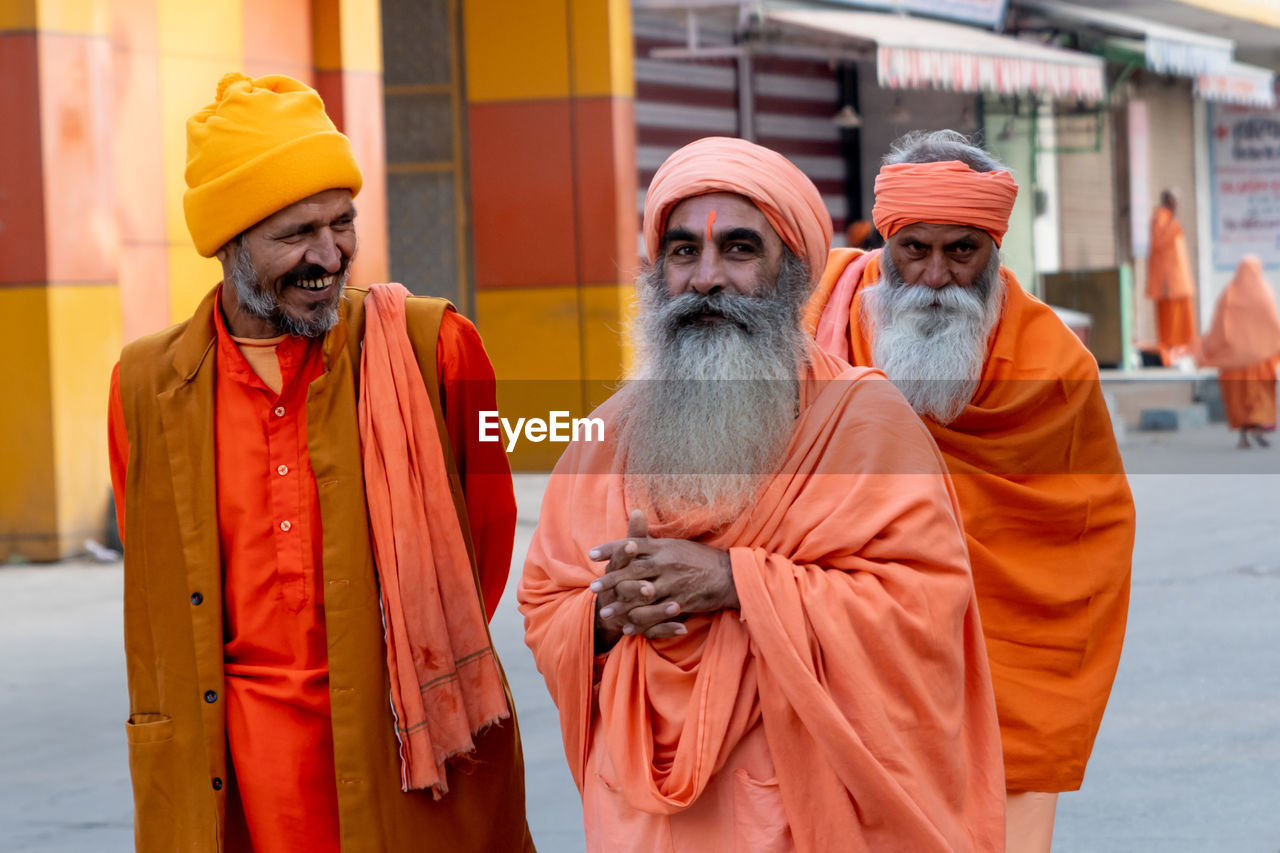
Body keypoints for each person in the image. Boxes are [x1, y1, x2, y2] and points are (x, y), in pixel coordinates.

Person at [519, 137, 1005, 852]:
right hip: (647, 819)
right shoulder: (607, 435)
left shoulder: (863, 422)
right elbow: (545, 602)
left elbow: (922, 606)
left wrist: (733, 579)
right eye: (683, 253)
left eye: (739, 250)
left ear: (791, 274)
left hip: (810, 811)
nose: (706, 278)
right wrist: (603, 614)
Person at [107, 73, 533, 852]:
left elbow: (482, 549)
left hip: (408, 754)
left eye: (343, 223)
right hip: (234, 774)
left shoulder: (429, 347)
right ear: (229, 243)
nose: (328, 254)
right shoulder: (149, 382)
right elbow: (162, 572)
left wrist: (410, 661)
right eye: (296, 232)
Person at [808, 130, 1136, 852]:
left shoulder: (1054, 364)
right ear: (883, 241)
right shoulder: (821, 323)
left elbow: (1086, 541)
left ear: (995, 251)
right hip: (849, 658)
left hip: (1003, 674)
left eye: (963, 251)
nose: (934, 275)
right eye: (913, 249)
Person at [1198, 254, 1280, 448]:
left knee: (1239, 400)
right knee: (1259, 397)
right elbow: (1273, 324)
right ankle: (1258, 430)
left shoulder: (1229, 294)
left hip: (1234, 362)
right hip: (1259, 360)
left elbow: (1219, 327)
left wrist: (1211, 350)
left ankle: (1244, 436)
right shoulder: (1263, 293)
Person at [1146, 188, 1198, 365]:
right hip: (1169, 284)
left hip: (1178, 283)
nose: (1178, 204)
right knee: (1172, 326)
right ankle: (1173, 355)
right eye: (1174, 200)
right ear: (1168, 201)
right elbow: (1158, 243)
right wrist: (1173, 226)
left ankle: (1182, 353)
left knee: (1183, 323)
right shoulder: (1162, 217)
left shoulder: (1169, 219)